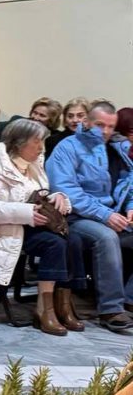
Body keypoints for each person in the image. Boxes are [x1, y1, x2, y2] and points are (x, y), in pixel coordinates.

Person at [0, 119, 87, 335]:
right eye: (36, 142)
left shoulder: (34, 163)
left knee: (74, 240)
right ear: (19, 143)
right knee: (55, 244)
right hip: (4, 229)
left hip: (32, 224)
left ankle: (63, 304)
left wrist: (57, 197)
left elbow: (39, 193)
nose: (41, 147)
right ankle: (44, 309)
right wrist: (26, 213)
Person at [46, 102, 133, 332]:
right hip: (74, 216)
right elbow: (67, 190)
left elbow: (128, 181)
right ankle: (111, 310)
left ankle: (129, 299)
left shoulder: (118, 148)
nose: (105, 131)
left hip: (111, 212)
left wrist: (130, 206)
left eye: (110, 126)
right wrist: (106, 215)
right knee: (106, 238)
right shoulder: (68, 147)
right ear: (86, 122)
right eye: (100, 125)